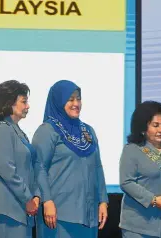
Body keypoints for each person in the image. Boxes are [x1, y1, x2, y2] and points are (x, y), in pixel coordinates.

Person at [32, 80, 108, 238]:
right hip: (58, 215)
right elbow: (38, 168)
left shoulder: (88, 131)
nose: (76, 103)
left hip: (88, 215)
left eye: (78, 98)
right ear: (59, 101)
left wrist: (103, 201)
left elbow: (97, 167)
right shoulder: (47, 131)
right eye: (70, 99)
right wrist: (47, 201)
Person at [119, 101, 161, 238]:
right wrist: (153, 200)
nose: (160, 130)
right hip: (137, 227)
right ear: (143, 128)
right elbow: (126, 182)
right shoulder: (132, 149)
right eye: (155, 125)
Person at [0, 80, 40, 238]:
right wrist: (28, 198)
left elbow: (29, 168)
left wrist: (36, 196)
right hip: (7, 213)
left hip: (19, 211)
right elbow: (7, 170)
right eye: (24, 102)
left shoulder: (17, 130)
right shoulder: (2, 129)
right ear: (9, 103)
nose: (28, 106)